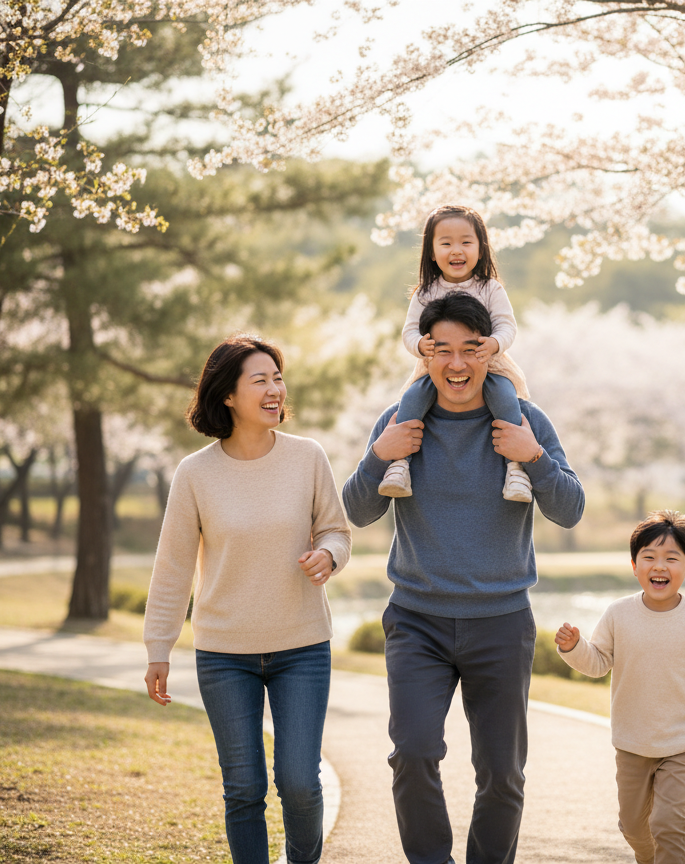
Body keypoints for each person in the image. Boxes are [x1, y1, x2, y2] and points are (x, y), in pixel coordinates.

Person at [342, 291, 585, 864]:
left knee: (502, 772)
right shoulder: (401, 421)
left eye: (470, 349)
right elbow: (357, 511)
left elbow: (571, 509)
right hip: (417, 622)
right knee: (413, 753)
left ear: (489, 353)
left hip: (501, 623)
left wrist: (533, 457)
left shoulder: (525, 420)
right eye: (442, 350)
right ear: (424, 353)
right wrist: (380, 455)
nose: (456, 364)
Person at [142, 334, 351, 864]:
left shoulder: (308, 457)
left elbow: (336, 530)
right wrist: (158, 647)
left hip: (302, 647)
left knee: (299, 782)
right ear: (228, 395)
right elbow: (173, 567)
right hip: (223, 655)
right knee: (243, 788)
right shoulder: (195, 473)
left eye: (278, 378)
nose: (275, 389)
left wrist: (329, 555)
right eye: (260, 380)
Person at [554, 510, 685, 864]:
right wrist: (574, 647)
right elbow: (598, 663)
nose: (659, 566)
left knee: (668, 822)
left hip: (683, 743)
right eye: (649, 557)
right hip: (632, 742)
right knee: (634, 827)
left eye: (671, 558)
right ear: (635, 566)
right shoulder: (618, 614)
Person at [378, 203, 534, 503]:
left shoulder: (490, 288)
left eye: (466, 242)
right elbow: (409, 331)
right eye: (446, 243)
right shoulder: (425, 292)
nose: (456, 250)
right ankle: (399, 465)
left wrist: (495, 343)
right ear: (431, 252)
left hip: (490, 363)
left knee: (505, 399)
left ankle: (516, 468)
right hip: (434, 365)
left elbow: (507, 325)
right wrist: (419, 345)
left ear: (481, 248)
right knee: (412, 399)